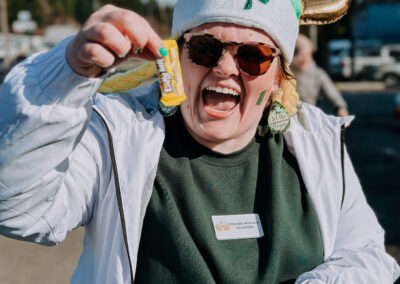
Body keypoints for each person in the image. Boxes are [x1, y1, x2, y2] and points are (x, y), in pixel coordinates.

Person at [0, 1, 399, 283]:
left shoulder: (318, 142)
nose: (225, 67)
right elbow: (18, 207)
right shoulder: (117, 132)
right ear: (175, 57)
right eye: (205, 48)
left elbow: (367, 255)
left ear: (278, 76)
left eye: (253, 56)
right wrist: (66, 74)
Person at [291, 34, 350, 117]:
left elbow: (331, 92)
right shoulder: (284, 73)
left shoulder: (317, 74)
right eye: (300, 55)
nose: (303, 59)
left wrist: (340, 107)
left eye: (307, 55)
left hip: (309, 116)